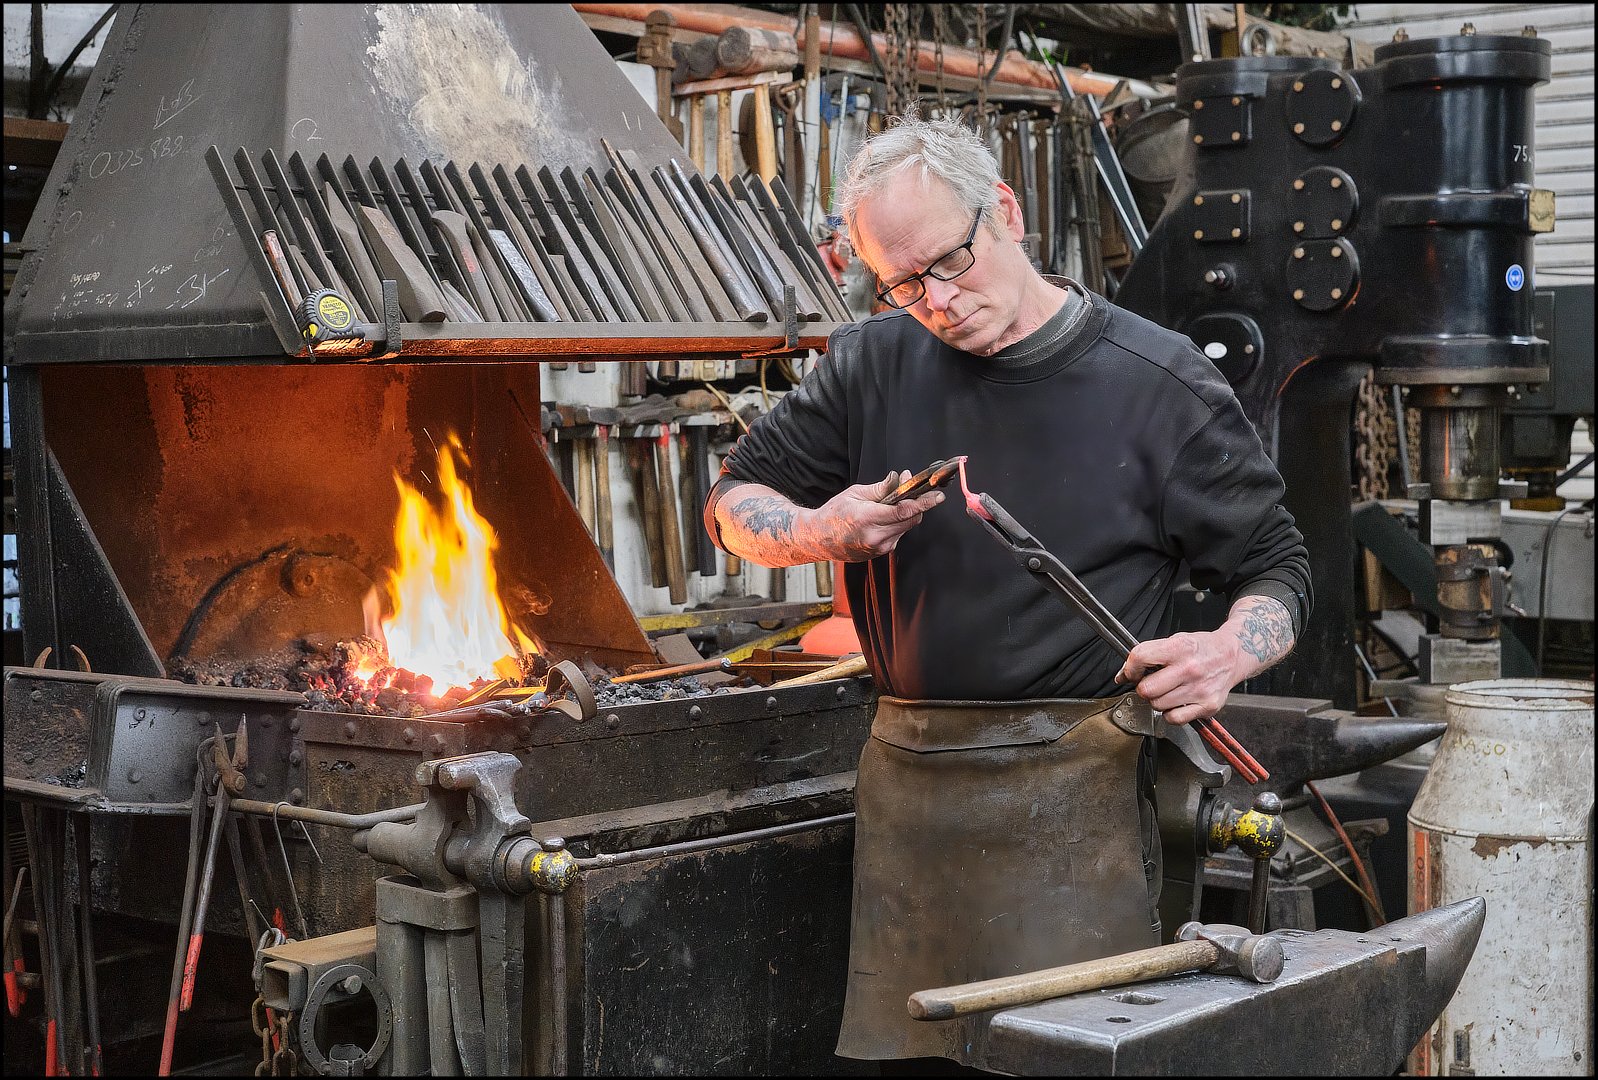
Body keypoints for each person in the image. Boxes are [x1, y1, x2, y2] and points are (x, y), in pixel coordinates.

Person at [702, 113, 1312, 1068]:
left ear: (1008, 213)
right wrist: (820, 530)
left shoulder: (1160, 385)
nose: (936, 301)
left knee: (1066, 1056)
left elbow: (1280, 567)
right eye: (901, 283)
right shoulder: (871, 362)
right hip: (910, 793)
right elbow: (731, 499)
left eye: (951, 263)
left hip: (1083, 801)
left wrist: (1228, 649)